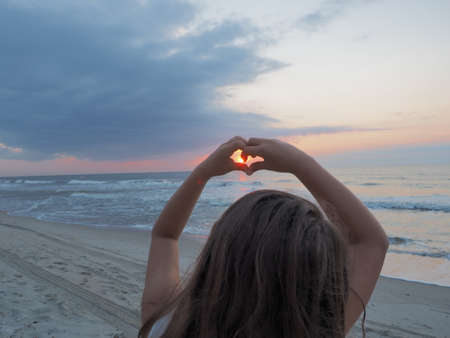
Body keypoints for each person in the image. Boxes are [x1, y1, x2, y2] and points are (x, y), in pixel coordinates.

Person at [139, 136, 389, 338]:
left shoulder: (168, 328)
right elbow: (371, 241)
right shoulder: (321, 328)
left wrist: (203, 172)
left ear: (217, 259)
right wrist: (297, 162)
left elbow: (165, 236)